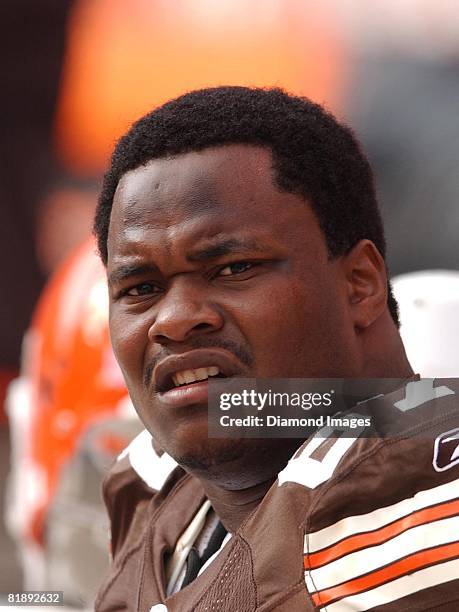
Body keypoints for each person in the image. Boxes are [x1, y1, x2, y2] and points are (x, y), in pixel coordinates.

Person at [93, 87, 459, 611]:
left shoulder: (414, 502)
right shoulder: (153, 491)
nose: (173, 321)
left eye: (234, 268)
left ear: (360, 284)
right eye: (140, 289)